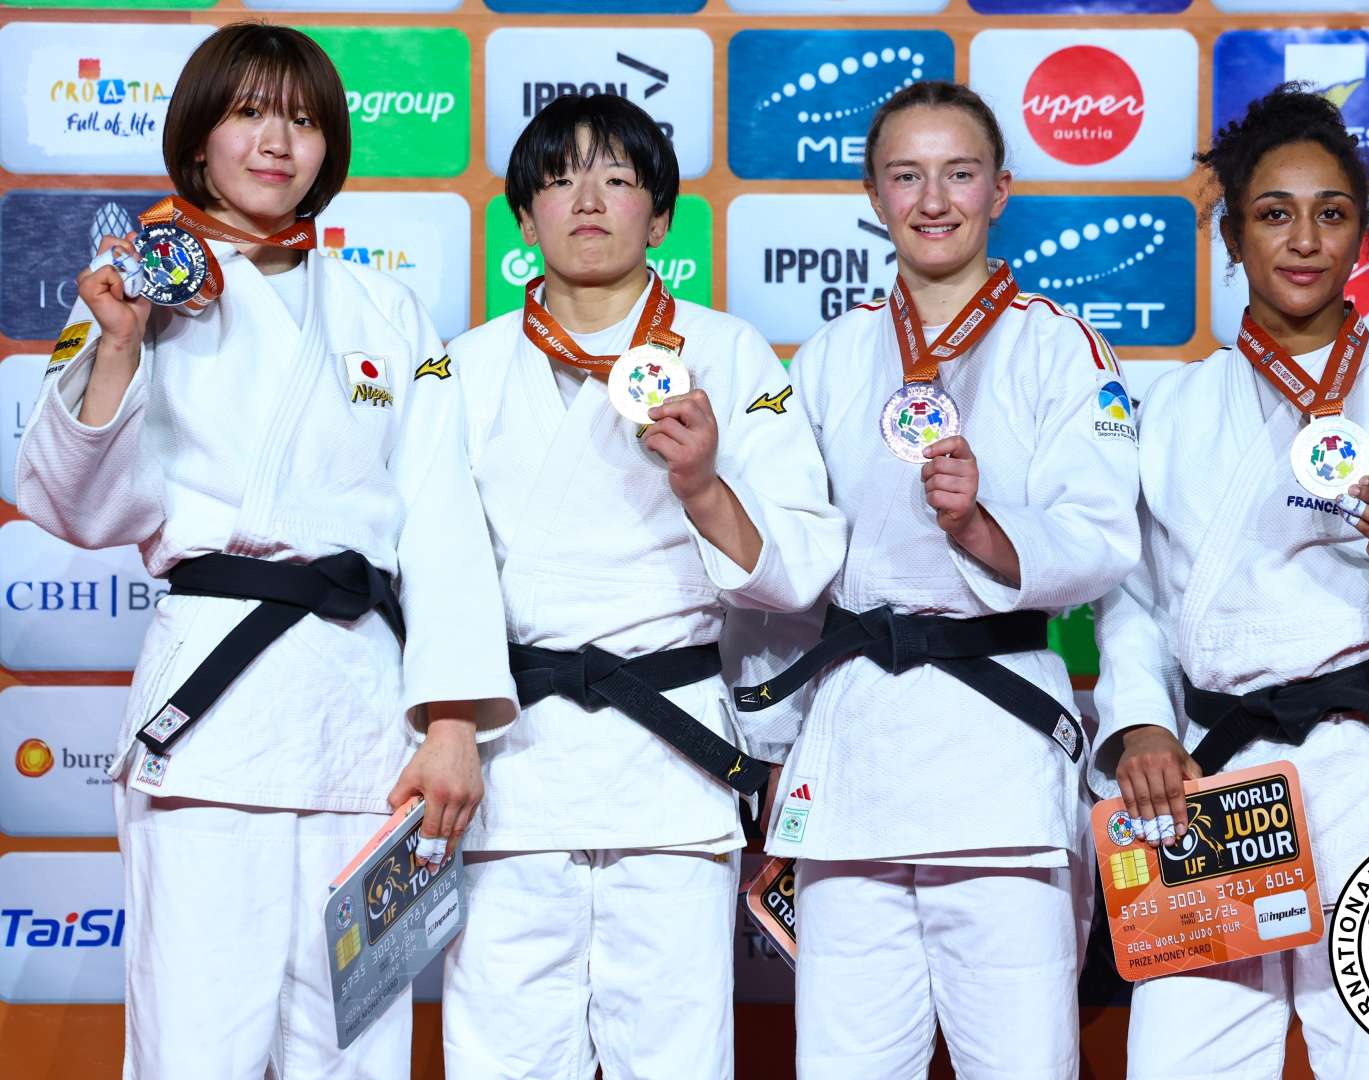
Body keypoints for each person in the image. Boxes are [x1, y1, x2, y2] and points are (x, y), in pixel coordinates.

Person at [14, 23, 516, 1078]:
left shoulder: (387, 306)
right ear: (198, 142)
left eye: (299, 116)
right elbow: (72, 503)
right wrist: (115, 345)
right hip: (213, 717)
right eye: (248, 112)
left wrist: (454, 721)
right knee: (198, 1047)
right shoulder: (134, 290)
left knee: (361, 1048)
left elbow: (441, 523)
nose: (277, 140)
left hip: (368, 726)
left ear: (331, 143)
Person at [1090, 84, 1369, 1080]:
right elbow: (1130, 597)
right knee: (1179, 1062)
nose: (1303, 240)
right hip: (1218, 779)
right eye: (1274, 214)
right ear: (1233, 239)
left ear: (1360, 236)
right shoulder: (1174, 408)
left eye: (1331, 214)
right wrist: (1142, 724)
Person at [735, 81, 1141, 1080]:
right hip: (854, 754)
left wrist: (980, 524)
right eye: (904, 175)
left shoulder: (1062, 348)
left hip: (995, 757)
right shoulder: (829, 356)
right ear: (872, 194)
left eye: (958, 173)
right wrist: (772, 748)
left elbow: (1100, 542)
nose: (932, 199)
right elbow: (797, 571)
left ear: (1000, 189)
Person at [438, 93, 845, 1080]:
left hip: (670, 763)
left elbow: (800, 566)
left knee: (676, 1062)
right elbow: (435, 573)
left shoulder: (727, 352)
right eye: (559, 178)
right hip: (512, 767)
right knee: (500, 1061)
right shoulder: (462, 368)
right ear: (522, 219)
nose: (588, 198)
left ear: (660, 217)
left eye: (618, 178)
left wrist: (703, 483)